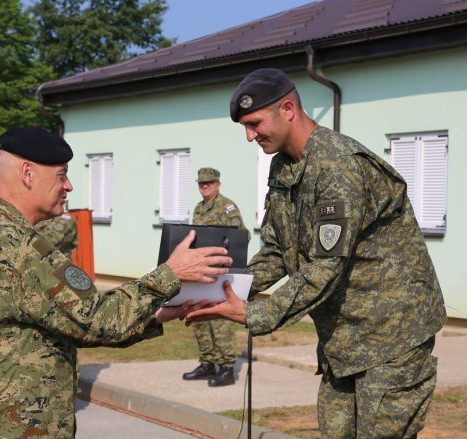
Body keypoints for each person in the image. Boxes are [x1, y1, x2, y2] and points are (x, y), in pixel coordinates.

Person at [187, 68, 447, 437]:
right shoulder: (284, 166)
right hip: (344, 339)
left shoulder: (337, 165)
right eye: (244, 127)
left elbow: (326, 266)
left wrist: (253, 312)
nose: (249, 136)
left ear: (288, 109)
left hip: (392, 338)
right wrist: (223, 284)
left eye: (255, 123)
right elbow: (278, 250)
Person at [0, 127, 232, 438]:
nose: (68, 186)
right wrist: (171, 274)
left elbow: (72, 322)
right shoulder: (19, 247)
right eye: (61, 175)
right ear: (28, 174)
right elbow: (98, 318)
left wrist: (157, 315)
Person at [182, 167, 248, 387]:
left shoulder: (227, 207)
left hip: (220, 271)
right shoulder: (198, 209)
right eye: (201, 183)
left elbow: (241, 235)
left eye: (208, 183)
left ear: (218, 184)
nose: (204, 187)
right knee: (199, 315)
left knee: (220, 319)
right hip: (200, 270)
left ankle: (227, 367)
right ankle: (208, 362)